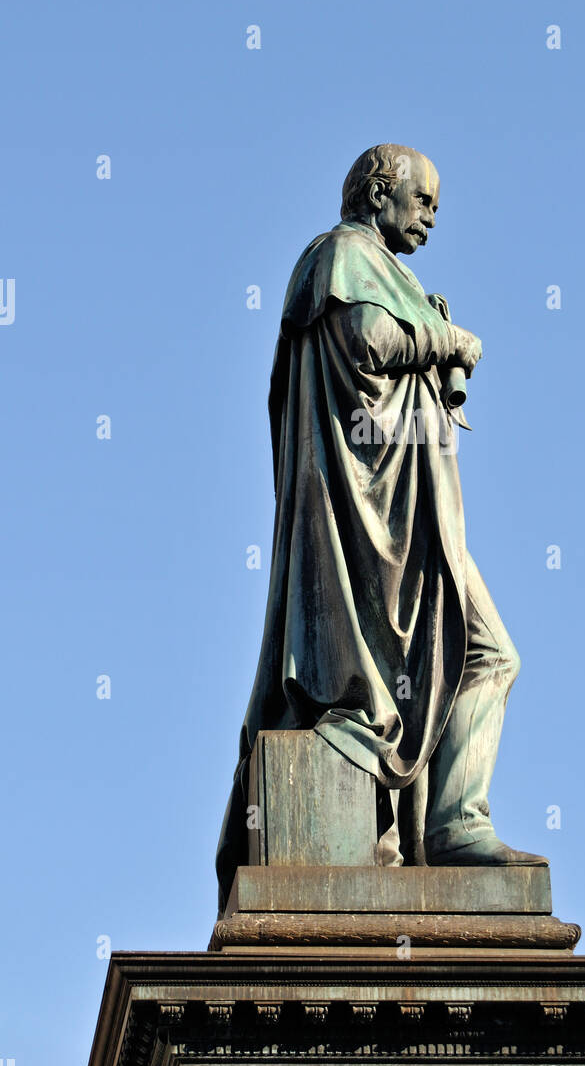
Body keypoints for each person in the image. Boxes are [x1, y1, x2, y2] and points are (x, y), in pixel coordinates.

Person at [215, 144, 545, 916]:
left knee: (487, 656)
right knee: (488, 652)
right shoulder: (341, 256)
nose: (431, 215)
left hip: (407, 513)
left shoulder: (386, 274)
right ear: (377, 191)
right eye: (422, 198)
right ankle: (455, 822)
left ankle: (454, 822)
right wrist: (446, 342)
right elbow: (369, 342)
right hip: (373, 523)